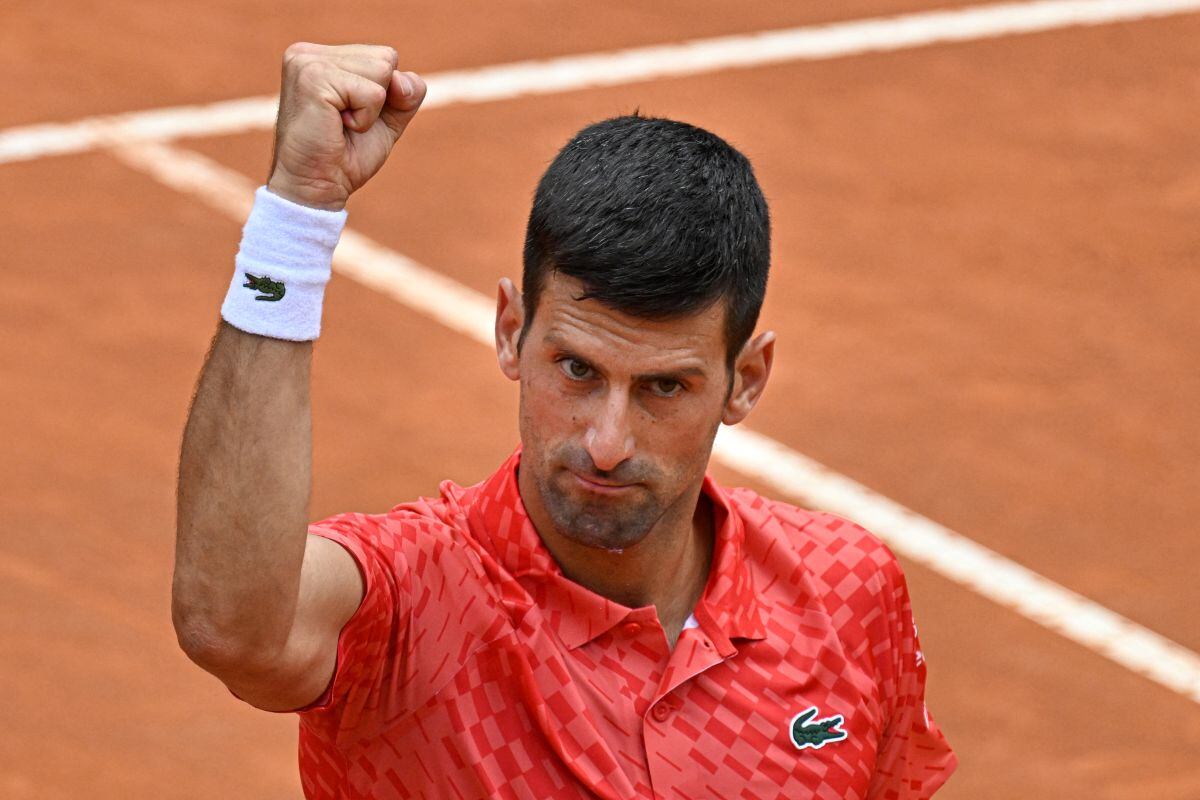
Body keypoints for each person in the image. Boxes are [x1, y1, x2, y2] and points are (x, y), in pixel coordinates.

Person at [172, 42, 957, 800]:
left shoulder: (847, 589)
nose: (607, 443)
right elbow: (233, 629)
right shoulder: (415, 604)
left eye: (664, 388)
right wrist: (296, 214)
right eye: (578, 370)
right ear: (511, 331)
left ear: (745, 381)